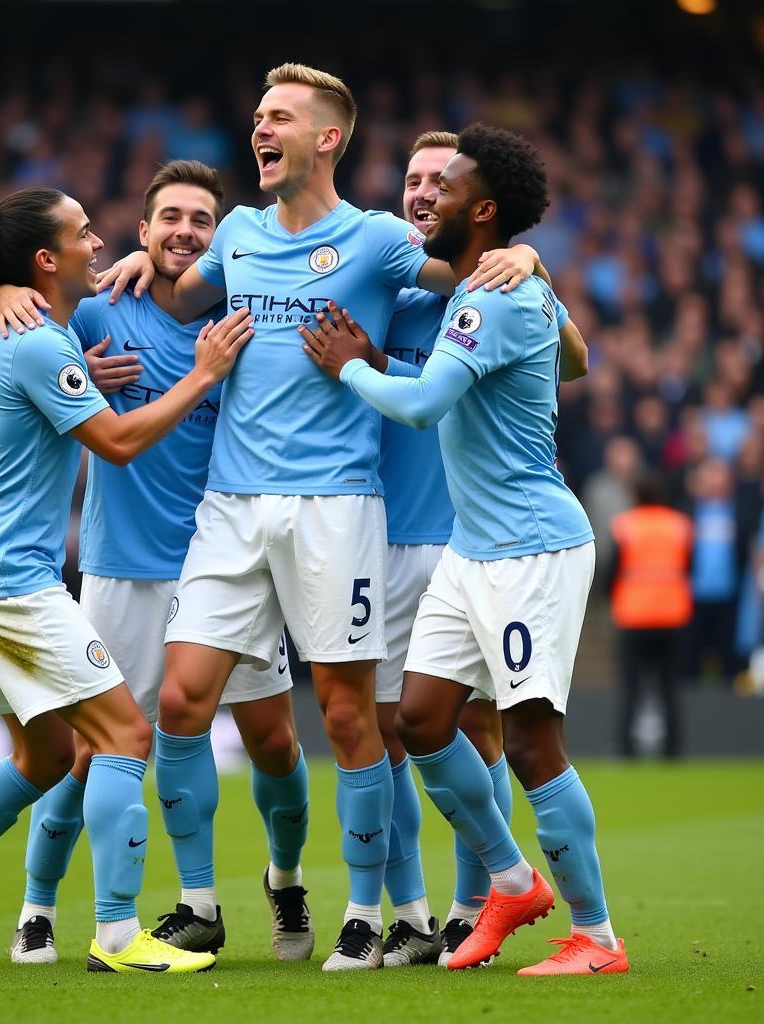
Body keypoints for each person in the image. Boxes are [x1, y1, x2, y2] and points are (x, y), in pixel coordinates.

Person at [97, 64, 541, 971]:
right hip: (230, 504)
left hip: (337, 506)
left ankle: (370, 913)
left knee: (348, 717)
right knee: (181, 702)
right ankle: (198, 905)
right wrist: (154, 255)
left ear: (327, 137)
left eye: (279, 117)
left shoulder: (374, 239)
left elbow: (460, 270)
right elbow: (186, 297)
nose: (260, 128)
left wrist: (526, 256)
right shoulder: (242, 233)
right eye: (257, 115)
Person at [0, 184, 252, 974]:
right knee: (127, 735)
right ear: (45, 259)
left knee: (43, 760)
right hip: (10, 579)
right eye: (82, 232)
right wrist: (202, 374)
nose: (98, 241)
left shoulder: (17, 325)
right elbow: (118, 443)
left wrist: (1, 291)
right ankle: (115, 935)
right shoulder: (39, 339)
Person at [301, 123, 628, 976]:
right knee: (421, 718)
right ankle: (512, 882)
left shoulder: (488, 299)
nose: (426, 201)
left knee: (527, 743)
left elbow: (420, 406)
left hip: (531, 548)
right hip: (470, 550)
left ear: (480, 210)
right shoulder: (487, 283)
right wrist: (538, 272)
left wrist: (351, 367)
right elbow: (574, 362)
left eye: (442, 189)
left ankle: (595, 935)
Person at [0, 161, 310, 965]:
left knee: (273, 741)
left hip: (224, 563)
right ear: (145, 231)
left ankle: (287, 881)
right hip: (123, 567)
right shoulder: (96, 308)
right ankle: (38, 909)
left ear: (220, 236)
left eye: (202, 219)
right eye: (171, 218)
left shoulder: (244, 316)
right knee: (91, 752)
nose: (186, 231)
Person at [609, 472, 693, 758]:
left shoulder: (625, 526)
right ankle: (673, 750)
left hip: (634, 617)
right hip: (672, 615)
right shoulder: (679, 525)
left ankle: (626, 749)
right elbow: (689, 567)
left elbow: (611, 571)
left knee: (631, 687)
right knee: (670, 687)